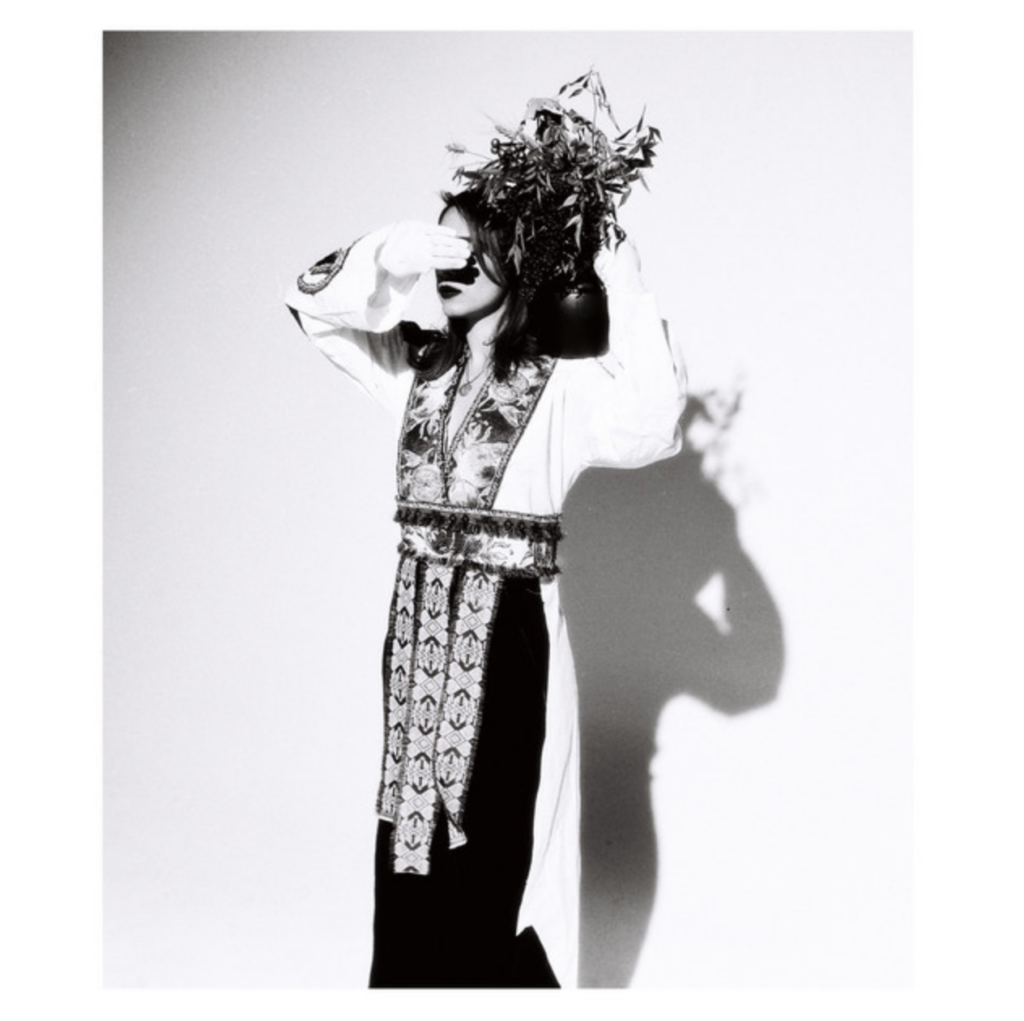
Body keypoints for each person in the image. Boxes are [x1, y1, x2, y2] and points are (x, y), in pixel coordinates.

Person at [283, 187, 687, 988]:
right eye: (440, 248)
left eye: (471, 249)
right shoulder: (416, 366)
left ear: (517, 261)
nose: (452, 264)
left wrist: (622, 275)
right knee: (408, 851)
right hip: (415, 645)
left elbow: (653, 421)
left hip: (507, 648)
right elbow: (310, 305)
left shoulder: (559, 382)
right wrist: (389, 256)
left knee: (494, 858)